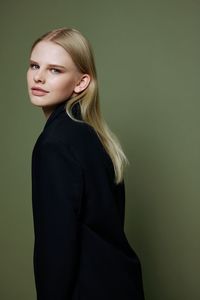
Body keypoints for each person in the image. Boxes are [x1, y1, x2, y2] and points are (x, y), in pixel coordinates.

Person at [26, 27, 145, 300]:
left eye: (55, 70)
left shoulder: (54, 145)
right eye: (34, 65)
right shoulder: (94, 136)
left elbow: (56, 248)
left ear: (81, 83)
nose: (39, 77)